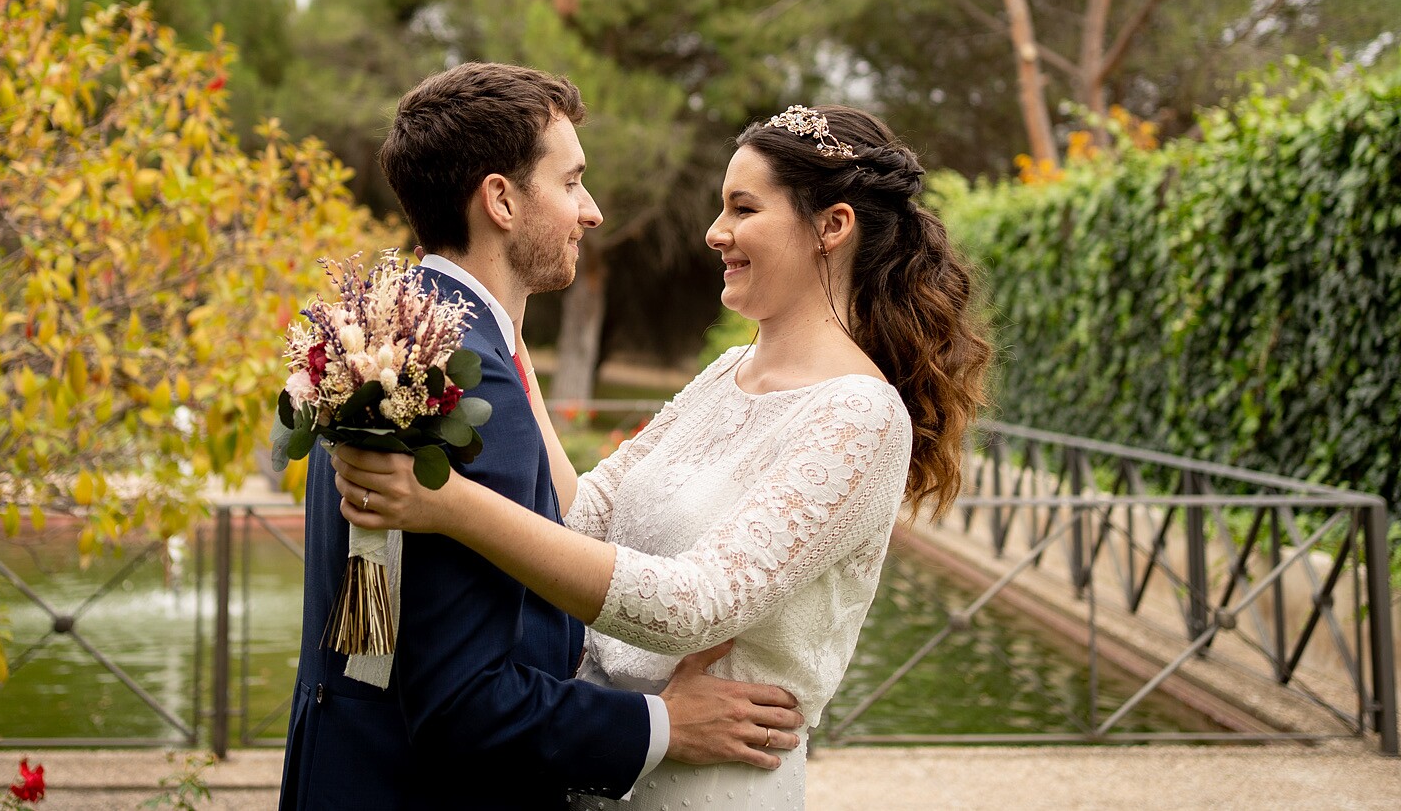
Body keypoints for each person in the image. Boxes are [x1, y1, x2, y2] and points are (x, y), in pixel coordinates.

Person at [333, 103, 991, 811]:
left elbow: (697, 602)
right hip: (607, 770)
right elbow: (582, 516)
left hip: (712, 781)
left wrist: (451, 505)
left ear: (832, 226)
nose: (716, 233)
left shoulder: (860, 413)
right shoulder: (724, 373)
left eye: (743, 207)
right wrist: (510, 332)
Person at [280, 63, 807, 811]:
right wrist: (664, 723)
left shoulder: (381, 336)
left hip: (341, 770)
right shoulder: (466, 377)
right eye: (570, 182)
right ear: (500, 199)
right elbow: (466, 702)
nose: (590, 211)